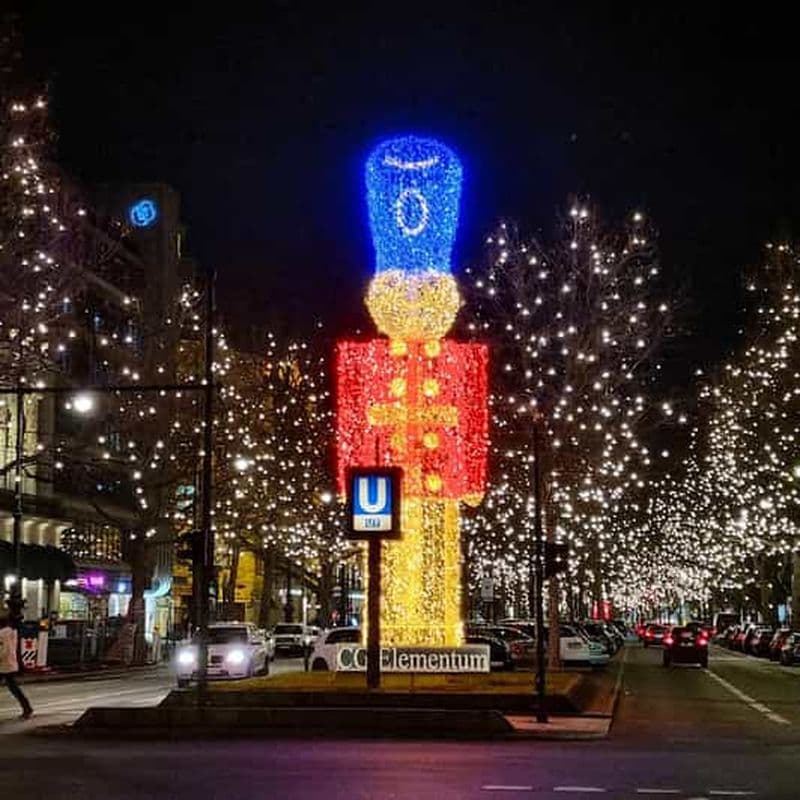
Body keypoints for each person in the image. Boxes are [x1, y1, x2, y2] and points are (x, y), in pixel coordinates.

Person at [0, 615, 33, 719]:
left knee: (13, 687)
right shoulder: (12, 632)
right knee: (13, 687)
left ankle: (27, 707)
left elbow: (3, 649)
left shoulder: (2, 634)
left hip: (3, 664)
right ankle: (27, 707)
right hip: (10, 663)